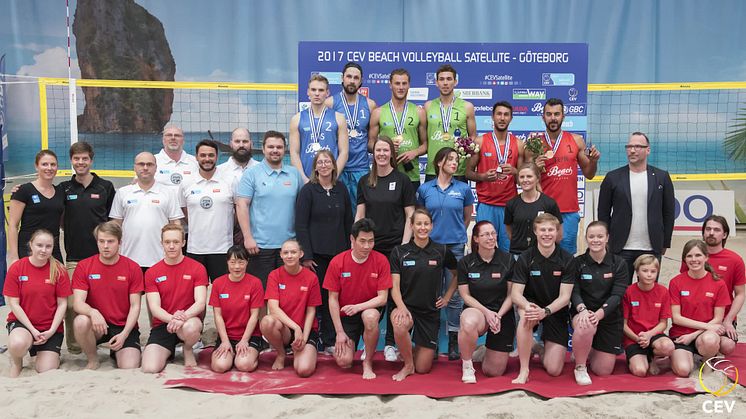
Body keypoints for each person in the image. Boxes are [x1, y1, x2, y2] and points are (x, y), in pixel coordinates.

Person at [356, 136, 416, 361]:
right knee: (372, 295)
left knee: (394, 295)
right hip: (371, 248)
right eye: (377, 150)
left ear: (391, 153)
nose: (381, 154)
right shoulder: (365, 181)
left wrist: (404, 245)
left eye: (385, 150)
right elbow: (360, 215)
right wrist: (357, 243)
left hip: (396, 247)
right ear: (373, 154)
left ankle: (391, 344)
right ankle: (366, 344)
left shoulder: (402, 180)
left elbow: (410, 214)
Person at [417, 147, 474, 360]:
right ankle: (428, 338)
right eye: (450, 159)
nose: (454, 163)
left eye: (456, 160)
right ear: (439, 162)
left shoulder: (463, 189)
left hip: (455, 246)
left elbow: (467, 216)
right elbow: (421, 217)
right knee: (430, 292)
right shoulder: (425, 189)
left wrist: (457, 232)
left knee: (455, 295)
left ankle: (453, 339)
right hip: (430, 246)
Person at [59, 141, 116, 354]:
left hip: (103, 257)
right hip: (75, 257)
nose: (80, 162)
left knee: (104, 301)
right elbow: (60, 217)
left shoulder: (106, 187)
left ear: (91, 160)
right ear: (72, 161)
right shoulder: (64, 188)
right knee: (74, 305)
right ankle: (75, 346)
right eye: (76, 158)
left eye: (84, 158)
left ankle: (105, 340)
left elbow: (112, 222)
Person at [389, 208, 458, 381]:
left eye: (426, 224)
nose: (422, 227)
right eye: (418, 223)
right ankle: (407, 365)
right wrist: (402, 308)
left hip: (429, 312)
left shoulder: (441, 251)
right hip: (407, 308)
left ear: (432, 226)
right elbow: (394, 287)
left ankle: (411, 356)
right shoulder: (399, 252)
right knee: (399, 322)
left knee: (423, 368)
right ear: (411, 226)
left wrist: (447, 297)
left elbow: (458, 275)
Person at [295, 150, 352, 352]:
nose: (325, 165)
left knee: (333, 299)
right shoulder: (308, 191)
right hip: (316, 257)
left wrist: (348, 253)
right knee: (316, 299)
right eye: (321, 162)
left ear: (334, 166)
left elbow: (348, 222)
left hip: (338, 256)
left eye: (328, 161)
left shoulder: (341, 189)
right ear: (315, 166)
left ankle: (329, 340)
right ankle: (313, 338)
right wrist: (306, 257)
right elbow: (301, 225)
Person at [510, 213, 576, 384]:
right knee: (525, 316)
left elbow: (565, 297)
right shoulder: (526, 257)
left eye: (551, 230)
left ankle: (537, 347)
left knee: (554, 370)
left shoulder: (567, 259)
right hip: (532, 307)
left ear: (557, 232)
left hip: (555, 310)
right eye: (543, 230)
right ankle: (524, 370)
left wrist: (545, 311)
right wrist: (528, 306)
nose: (547, 234)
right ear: (535, 232)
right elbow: (516, 294)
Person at [598, 132, 675, 277]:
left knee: (648, 292)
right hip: (620, 247)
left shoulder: (662, 177)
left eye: (638, 146)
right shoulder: (612, 177)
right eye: (629, 146)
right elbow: (603, 213)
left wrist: (665, 242)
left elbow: (668, 213)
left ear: (648, 150)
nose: (632, 150)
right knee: (620, 292)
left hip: (651, 247)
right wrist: (605, 239)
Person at [324, 218, 392, 380]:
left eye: (370, 241)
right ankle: (346, 345)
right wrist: (339, 332)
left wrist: (358, 307)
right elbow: (332, 299)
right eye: (362, 241)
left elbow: (382, 298)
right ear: (352, 240)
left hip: (368, 310)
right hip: (346, 316)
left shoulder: (381, 260)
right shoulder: (337, 262)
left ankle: (367, 362)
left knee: (370, 316)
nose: (367, 246)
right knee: (344, 362)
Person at [530, 98, 601, 255]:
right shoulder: (534, 143)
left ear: (563, 116)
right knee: (542, 257)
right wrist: (535, 166)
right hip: (544, 210)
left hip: (569, 210)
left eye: (557, 114)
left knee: (567, 258)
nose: (553, 118)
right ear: (543, 117)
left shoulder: (576, 140)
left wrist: (594, 161)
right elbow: (527, 179)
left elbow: (589, 174)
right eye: (549, 114)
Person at [72, 221, 143, 370]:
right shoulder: (84, 266)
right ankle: (92, 359)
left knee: (129, 366)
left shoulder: (133, 267)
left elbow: (135, 306)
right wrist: (93, 312)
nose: (105, 246)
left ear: (119, 242)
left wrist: (124, 334)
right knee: (80, 321)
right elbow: (78, 303)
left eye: (110, 241)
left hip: (123, 326)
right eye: (101, 241)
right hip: (98, 325)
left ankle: (117, 351)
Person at [236, 131, 303, 286]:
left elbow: (302, 208)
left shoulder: (294, 174)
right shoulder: (251, 174)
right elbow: (242, 205)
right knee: (261, 295)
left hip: (288, 248)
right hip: (259, 246)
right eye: (271, 146)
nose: (275, 150)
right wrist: (248, 237)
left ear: (284, 149)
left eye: (279, 147)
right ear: (263, 148)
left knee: (287, 294)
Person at [141, 224, 208, 373]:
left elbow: (200, 302)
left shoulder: (197, 268)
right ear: (162, 243)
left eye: (176, 242)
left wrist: (182, 318)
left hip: (188, 323)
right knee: (149, 368)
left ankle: (188, 348)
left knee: (192, 327)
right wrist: (172, 318)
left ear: (183, 243)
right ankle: (167, 351)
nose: (171, 246)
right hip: (164, 324)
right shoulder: (152, 272)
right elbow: (154, 307)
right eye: (167, 242)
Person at [3, 229, 71, 377]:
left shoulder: (59, 270)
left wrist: (52, 330)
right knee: (18, 345)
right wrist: (33, 330)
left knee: (46, 369)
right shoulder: (17, 268)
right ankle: (17, 362)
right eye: (39, 245)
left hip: (50, 328)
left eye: (48, 246)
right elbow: (14, 304)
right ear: (31, 245)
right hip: (24, 324)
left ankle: (40, 352)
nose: (43, 250)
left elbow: (62, 305)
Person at [570, 221, 628, 385]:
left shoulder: (619, 263)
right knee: (586, 323)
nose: (596, 240)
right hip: (583, 313)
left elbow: (617, 295)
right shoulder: (577, 263)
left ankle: (586, 349)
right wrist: (582, 310)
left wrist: (599, 314)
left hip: (608, 318)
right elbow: (574, 291)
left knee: (603, 371)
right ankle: (580, 367)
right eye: (591, 236)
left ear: (607, 238)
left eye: (600, 236)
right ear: (586, 238)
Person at [457, 221, 516, 384]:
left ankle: (483, 350)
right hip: (478, 311)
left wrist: (498, 315)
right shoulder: (466, 262)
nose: (490, 238)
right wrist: (487, 312)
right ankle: (467, 365)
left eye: (493, 233)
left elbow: (512, 295)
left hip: (502, 313)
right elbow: (465, 295)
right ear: (476, 239)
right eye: (485, 234)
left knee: (493, 372)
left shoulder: (508, 259)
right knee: (468, 322)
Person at [669, 240, 734, 377]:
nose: (694, 260)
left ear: (706, 257)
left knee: (710, 340)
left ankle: (707, 363)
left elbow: (718, 319)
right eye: (689, 256)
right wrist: (693, 333)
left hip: (704, 334)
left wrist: (693, 334)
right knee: (683, 370)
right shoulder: (676, 282)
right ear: (684, 259)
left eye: (698, 255)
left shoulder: (718, 283)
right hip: (681, 335)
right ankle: (683, 356)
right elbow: (676, 317)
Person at [109, 152, 184, 271]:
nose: (145, 167)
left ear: (156, 168)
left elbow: (176, 224)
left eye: (149, 164)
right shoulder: (123, 193)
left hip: (161, 259)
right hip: (129, 259)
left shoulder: (168, 193)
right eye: (141, 164)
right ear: (134, 167)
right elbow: (115, 225)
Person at [466, 101, 524, 251]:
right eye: (499, 114)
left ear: (511, 118)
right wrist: (484, 177)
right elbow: (468, 172)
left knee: (508, 251)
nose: (502, 118)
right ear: (492, 117)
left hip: (509, 206)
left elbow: (523, 180)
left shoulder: (519, 144)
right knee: (483, 248)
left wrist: (515, 171)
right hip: (486, 204)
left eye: (506, 115)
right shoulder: (480, 141)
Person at [679, 215, 744, 344]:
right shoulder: (692, 257)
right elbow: (684, 285)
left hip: (721, 318)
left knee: (728, 346)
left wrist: (728, 320)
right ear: (703, 233)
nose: (711, 233)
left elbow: (740, 294)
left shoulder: (735, 260)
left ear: (725, 234)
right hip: (694, 318)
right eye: (708, 229)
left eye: (717, 230)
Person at [261, 240, 321, 377]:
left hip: (305, 329)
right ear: (281, 255)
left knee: (304, 370)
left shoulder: (311, 277)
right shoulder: (274, 275)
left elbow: (311, 311)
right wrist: (295, 328)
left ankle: (301, 350)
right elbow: (273, 308)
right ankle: (281, 353)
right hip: (286, 330)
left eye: (293, 252)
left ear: (301, 254)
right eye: (286, 252)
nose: (289, 256)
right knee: (267, 321)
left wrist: (304, 338)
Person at [179, 140, 234, 280]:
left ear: (217, 156)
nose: (207, 159)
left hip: (223, 249)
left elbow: (238, 208)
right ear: (196, 157)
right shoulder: (186, 182)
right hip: (195, 249)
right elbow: (184, 210)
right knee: (195, 295)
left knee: (223, 295)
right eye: (203, 155)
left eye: (211, 155)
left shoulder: (230, 180)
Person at [325, 61, 377, 213]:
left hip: (361, 168)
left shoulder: (370, 105)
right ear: (342, 78)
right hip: (337, 168)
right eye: (349, 76)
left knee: (360, 213)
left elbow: (371, 141)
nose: (352, 81)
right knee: (335, 211)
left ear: (361, 81)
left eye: (356, 77)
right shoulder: (330, 103)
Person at [209, 245, 264, 373]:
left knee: (244, 365)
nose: (237, 267)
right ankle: (232, 353)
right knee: (220, 367)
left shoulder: (255, 283)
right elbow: (218, 315)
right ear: (227, 262)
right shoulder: (218, 283)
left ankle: (252, 353)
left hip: (249, 336)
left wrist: (245, 340)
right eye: (233, 262)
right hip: (227, 335)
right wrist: (224, 341)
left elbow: (255, 316)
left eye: (241, 262)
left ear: (247, 262)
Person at [369, 68, 426, 189]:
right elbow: (370, 145)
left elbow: (425, 145)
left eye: (404, 83)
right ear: (390, 85)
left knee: (411, 208)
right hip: (384, 173)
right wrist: (386, 148)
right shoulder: (378, 112)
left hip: (411, 174)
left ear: (409, 85)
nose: (401, 87)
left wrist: (414, 152)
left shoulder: (419, 112)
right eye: (397, 83)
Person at [7, 150, 64, 265]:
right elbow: (13, 225)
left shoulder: (61, 192)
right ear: (36, 166)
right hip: (29, 250)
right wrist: (14, 257)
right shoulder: (23, 191)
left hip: (52, 250)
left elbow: (62, 222)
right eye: (44, 164)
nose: (49, 168)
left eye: (53, 164)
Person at [623, 255, 675, 377]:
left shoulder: (663, 291)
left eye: (653, 271)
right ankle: (638, 358)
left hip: (654, 335)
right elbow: (623, 325)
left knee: (668, 347)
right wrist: (638, 339)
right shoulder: (628, 292)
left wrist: (649, 335)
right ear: (637, 272)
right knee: (640, 371)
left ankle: (653, 357)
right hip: (634, 337)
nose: (649, 274)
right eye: (645, 271)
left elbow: (663, 323)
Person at [290, 74, 349, 183]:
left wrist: (333, 177)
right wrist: (304, 179)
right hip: (306, 180)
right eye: (313, 90)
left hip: (331, 181)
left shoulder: (339, 118)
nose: (317, 93)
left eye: (321, 90)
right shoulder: (297, 119)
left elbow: (344, 152)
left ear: (327, 93)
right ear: (308, 92)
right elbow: (294, 153)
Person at [424, 64, 476, 182]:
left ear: (455, 82)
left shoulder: (467, 107)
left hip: (457, 169)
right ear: (436, 83)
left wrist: (465, 151)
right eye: (441, 79)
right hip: (434, 168)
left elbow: (473, 136)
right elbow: (423, 139)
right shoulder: (428, 106)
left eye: (449, 79)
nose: (445, 83)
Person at [504, 162, 562, 257]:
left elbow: (559, 234)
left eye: (529, 176)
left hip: (543, 255)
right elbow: (509, 232)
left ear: (537, 179)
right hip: (518, 255)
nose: (525, 180)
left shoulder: (549, 203)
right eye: (522, 177)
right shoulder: (511, 204)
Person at [154, 125, 198, 189]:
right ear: (163, 140)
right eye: (169, 135)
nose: (173, 138)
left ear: (183, 141)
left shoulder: (195, 162)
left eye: (177, 135)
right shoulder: (152, 161)